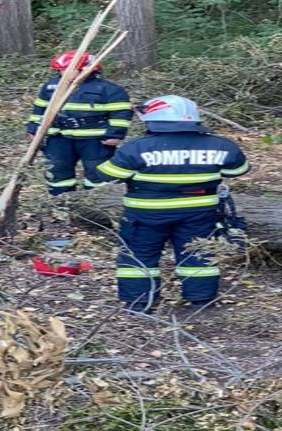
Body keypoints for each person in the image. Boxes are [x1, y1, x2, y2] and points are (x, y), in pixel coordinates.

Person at [98, 95, 250, 312]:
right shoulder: (221, 145)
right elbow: (237, 170)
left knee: (139, 255)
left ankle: (139, 302)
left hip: (146, 214)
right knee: (199, 253)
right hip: (200, 211)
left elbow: (108, 174)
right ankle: (201, 300)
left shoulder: (136, 148)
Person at [25, 51, 133, 195]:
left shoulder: (108, 89)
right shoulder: (51, 86)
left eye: (68, 70)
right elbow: (40, 108)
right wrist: (33, 128)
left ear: (86, 69)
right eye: (61, 70)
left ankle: (97, 202)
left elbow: (120, 112)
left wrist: (115, 134)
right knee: (57, 168)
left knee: (97, 169)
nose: (63, 73)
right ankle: (61, 201)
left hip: (95, 138)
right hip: (58, 137)